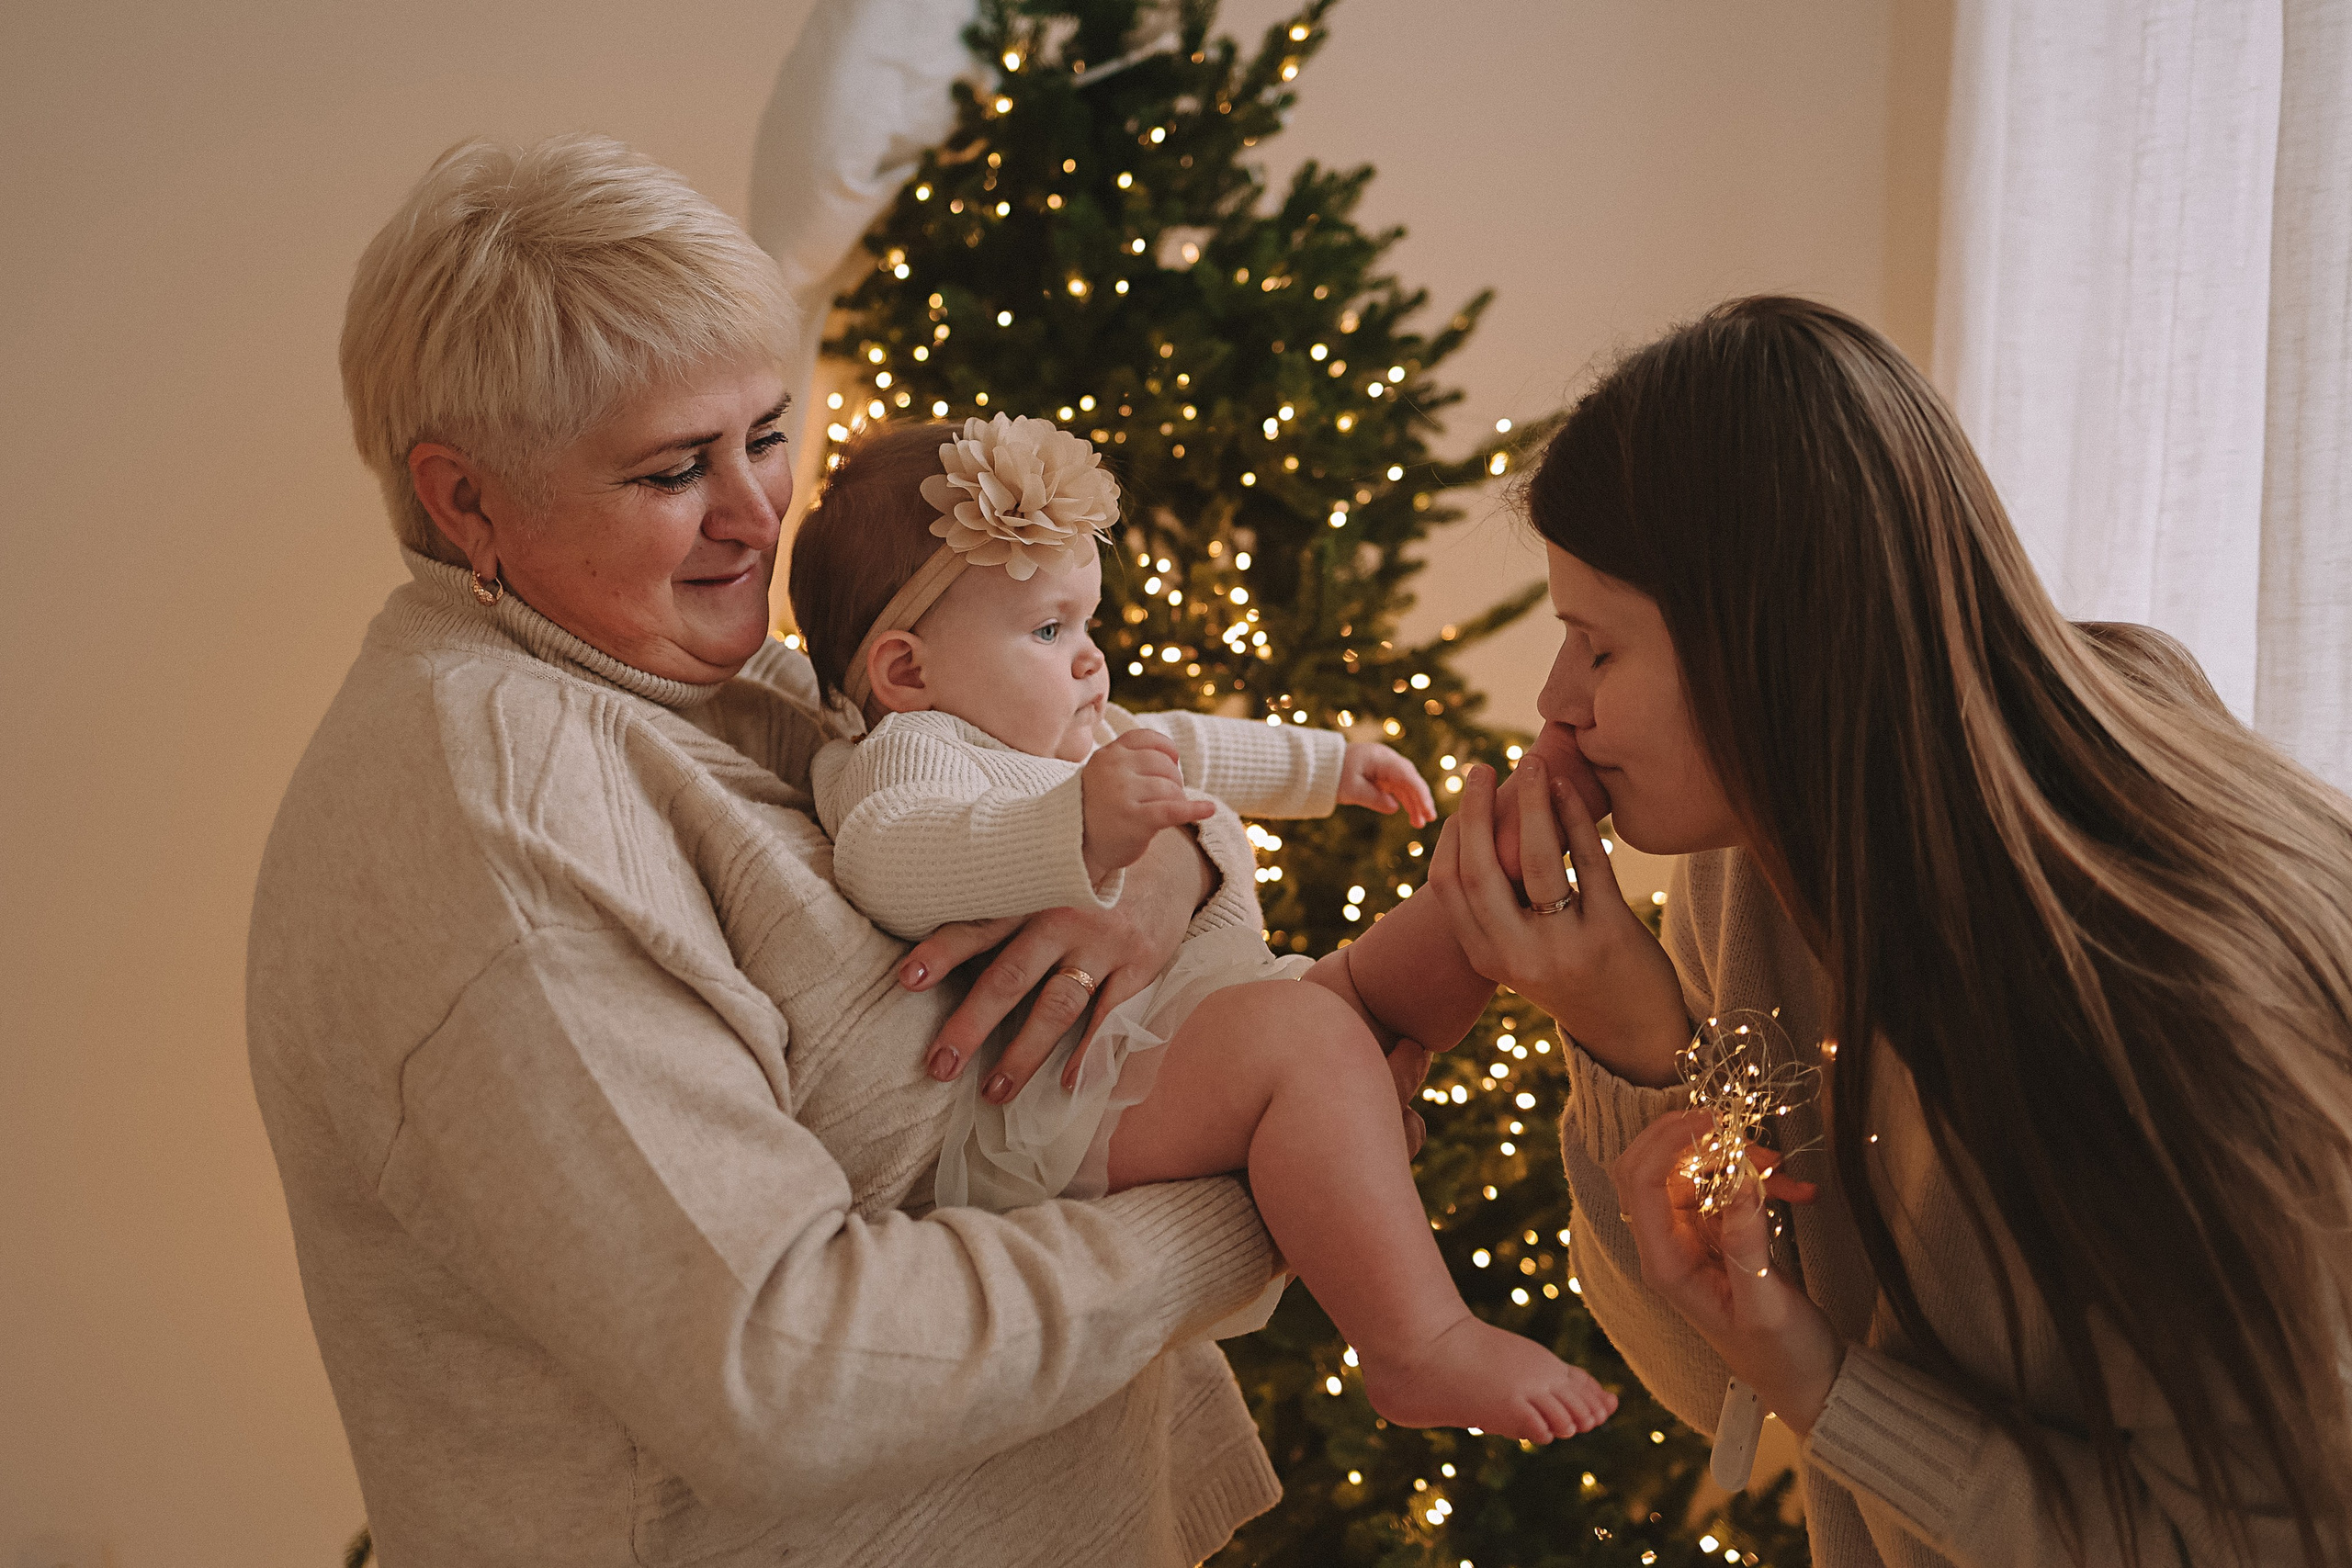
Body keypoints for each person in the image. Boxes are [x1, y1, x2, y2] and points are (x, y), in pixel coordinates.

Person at [246, 134, 1437, 1568]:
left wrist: (1150, 883)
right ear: (466, 499)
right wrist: (1251, 1196)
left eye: (766, 433)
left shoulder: (725, 679)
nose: (760, 516)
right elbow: (784, 1370)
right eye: (674, 470)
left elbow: (1087, 769)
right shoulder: (499, 815)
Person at [1427, 297, 2352, 1566]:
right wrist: (1632, 1043)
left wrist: (1827, 1385)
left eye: (1597, 647)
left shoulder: (2150, 997)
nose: (1554, 704)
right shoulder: (1754, 860)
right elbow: (1717, 1390)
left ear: (1774, 641)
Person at [786, 415, 1620, 1442]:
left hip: (1186, 1025)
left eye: (1088, 624)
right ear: (905, 672)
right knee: (1308, 1037)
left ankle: (1510, 869)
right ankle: (1419, 1344)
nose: (1090, 661)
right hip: (1066, 1097)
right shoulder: (912, 751)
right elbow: (889, 856)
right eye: (1049, 632)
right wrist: (1074, 828)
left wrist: (1327, 765)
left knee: (1397, 964)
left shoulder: (1069, 729)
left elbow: (1188, 745)